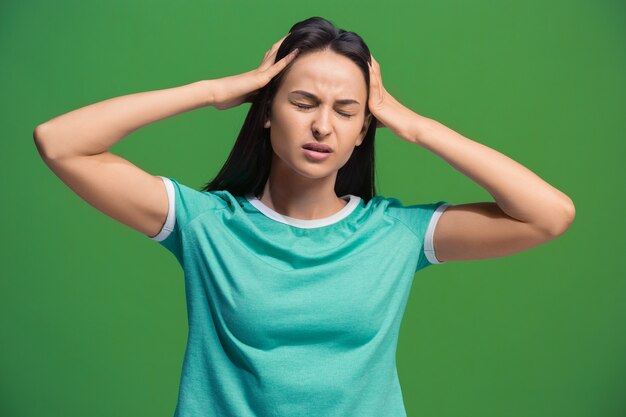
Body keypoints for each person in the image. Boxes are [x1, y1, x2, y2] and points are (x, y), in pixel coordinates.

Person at [34, 16, 575, 417]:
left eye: (346, 112)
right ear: (267, 111)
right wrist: (216, 91)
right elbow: (60, 143)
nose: (323, 126)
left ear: (365, 128)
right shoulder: (207, 225)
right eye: (302, 103)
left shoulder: (396, 235)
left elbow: (548, 215)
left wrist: (413, 125)